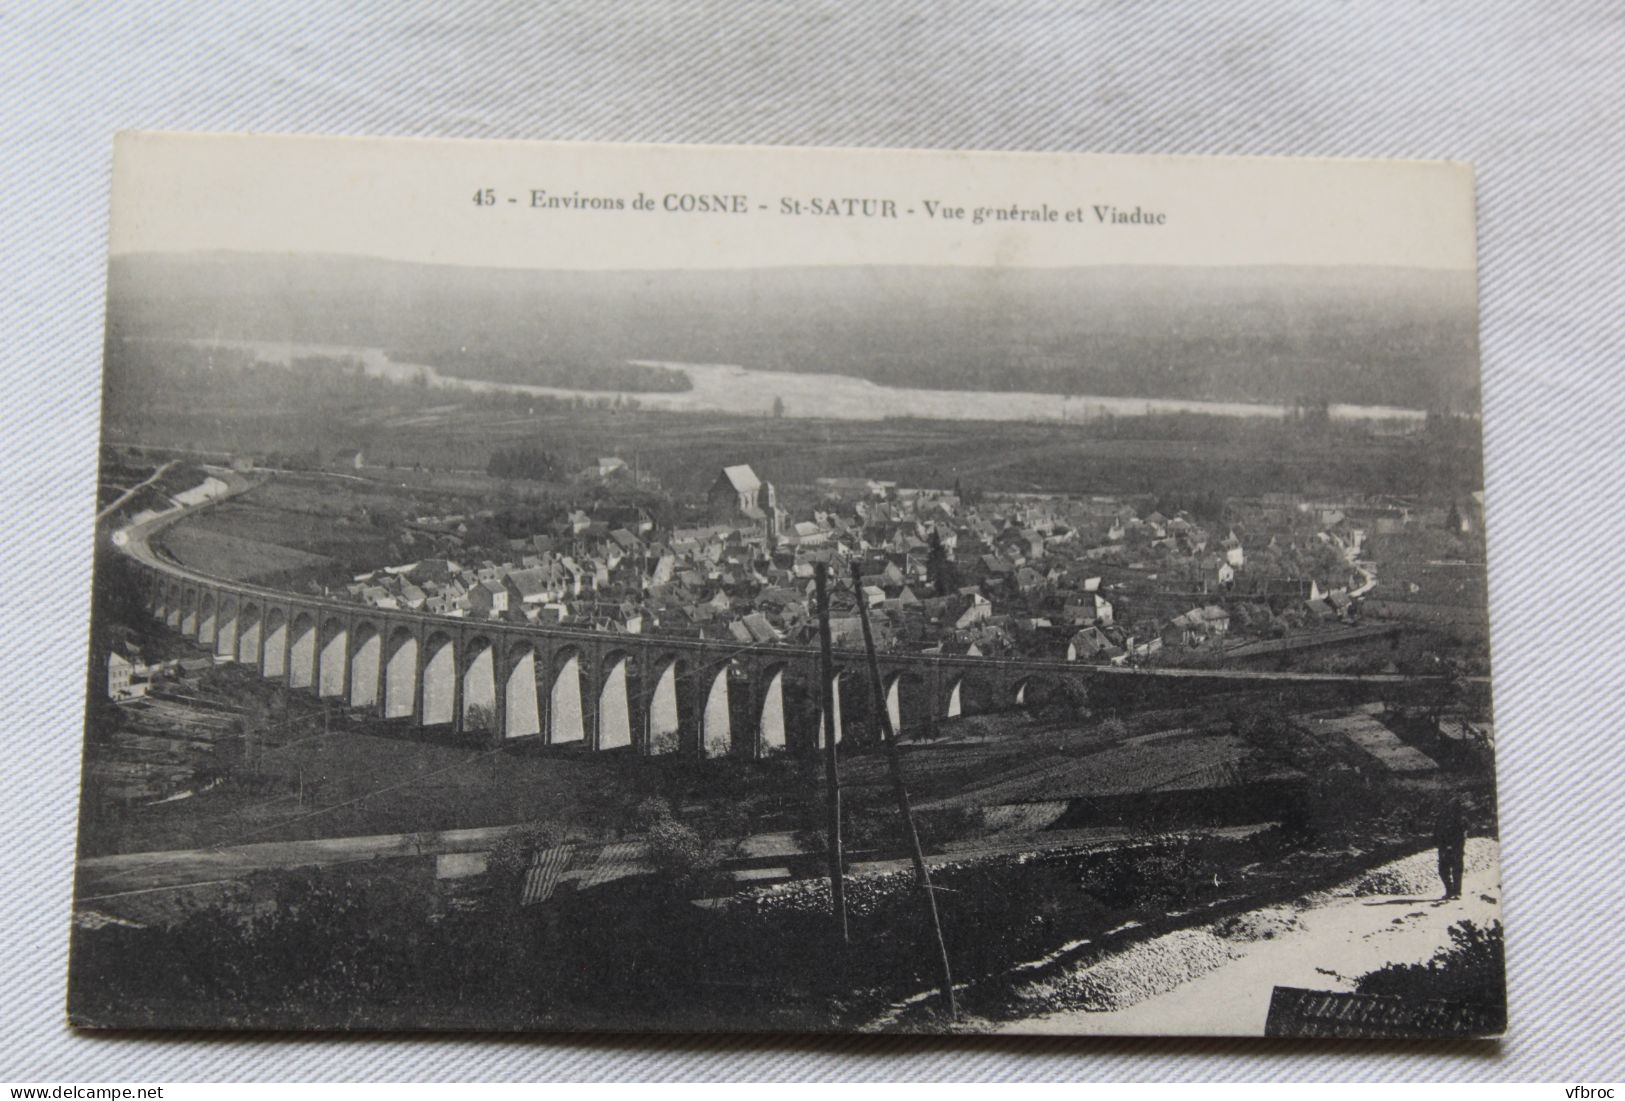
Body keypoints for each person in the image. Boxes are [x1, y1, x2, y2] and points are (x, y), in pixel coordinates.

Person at [1433, 800, 1468, 899]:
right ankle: (1450, 891)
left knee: (1456, 870)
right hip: (1443, 849)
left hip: (1456, 849)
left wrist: (1453, 846)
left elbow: (1462, 836)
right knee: (1443, 870)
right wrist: (1439, 844)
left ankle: (1456, 892)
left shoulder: (1461, 820)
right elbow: (1436, 832)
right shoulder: (1441, 819)